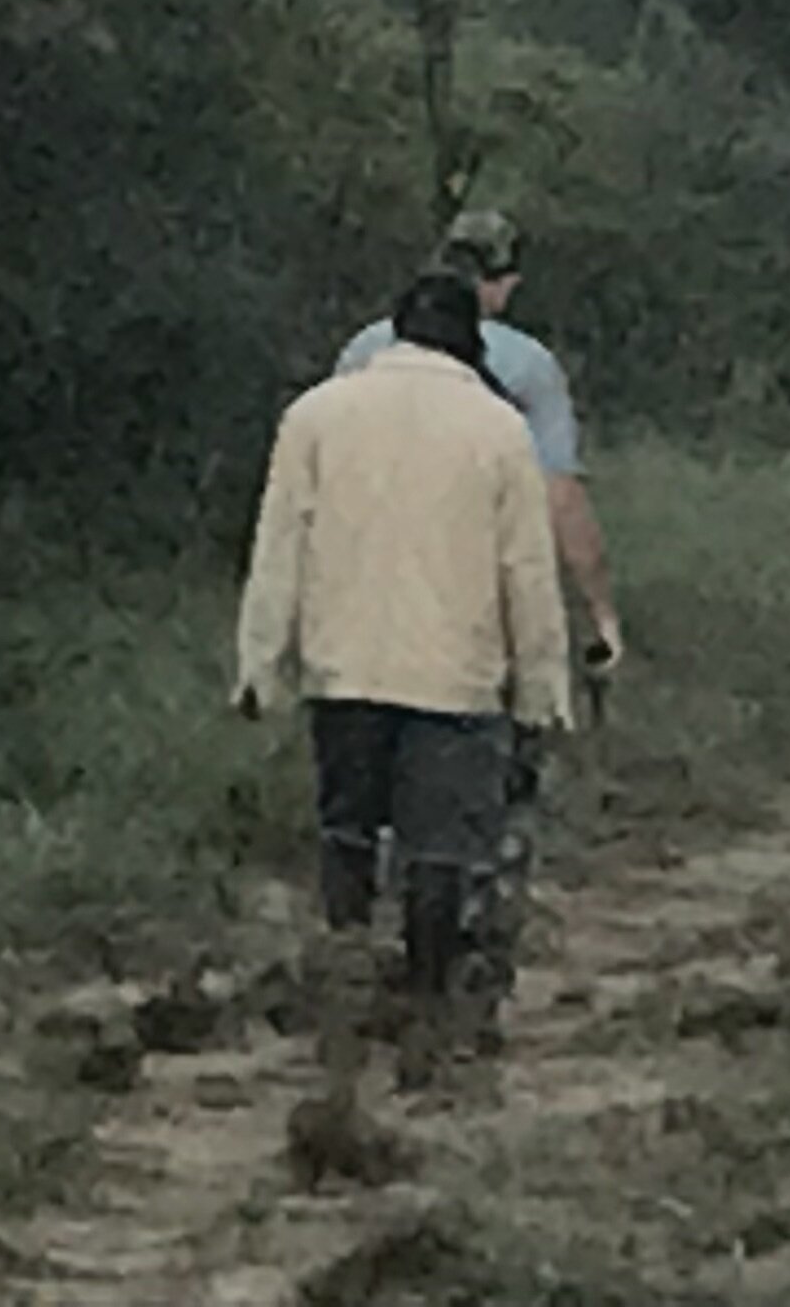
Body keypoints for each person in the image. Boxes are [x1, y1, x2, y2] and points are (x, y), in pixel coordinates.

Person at [236, 268, 574, 1093]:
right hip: (454, 678)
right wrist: (542, 686)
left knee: (348, 827)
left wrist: (259, 665)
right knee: (438, 848)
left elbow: (278, 548)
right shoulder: (499, 430)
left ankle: (347, 976)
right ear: (469, 342)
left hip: (342, 666)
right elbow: (526, 572)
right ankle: (425, 1010)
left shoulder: (314, 414)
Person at [333, 207, 620, 1040]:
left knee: (372, 795)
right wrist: (598, 612)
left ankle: (365, 954)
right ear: (504, 281)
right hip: (478, 617)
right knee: (492, 802)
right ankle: (465, 979)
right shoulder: (525, 367)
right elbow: (558, 497)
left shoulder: (361, 354)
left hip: (368, 612)